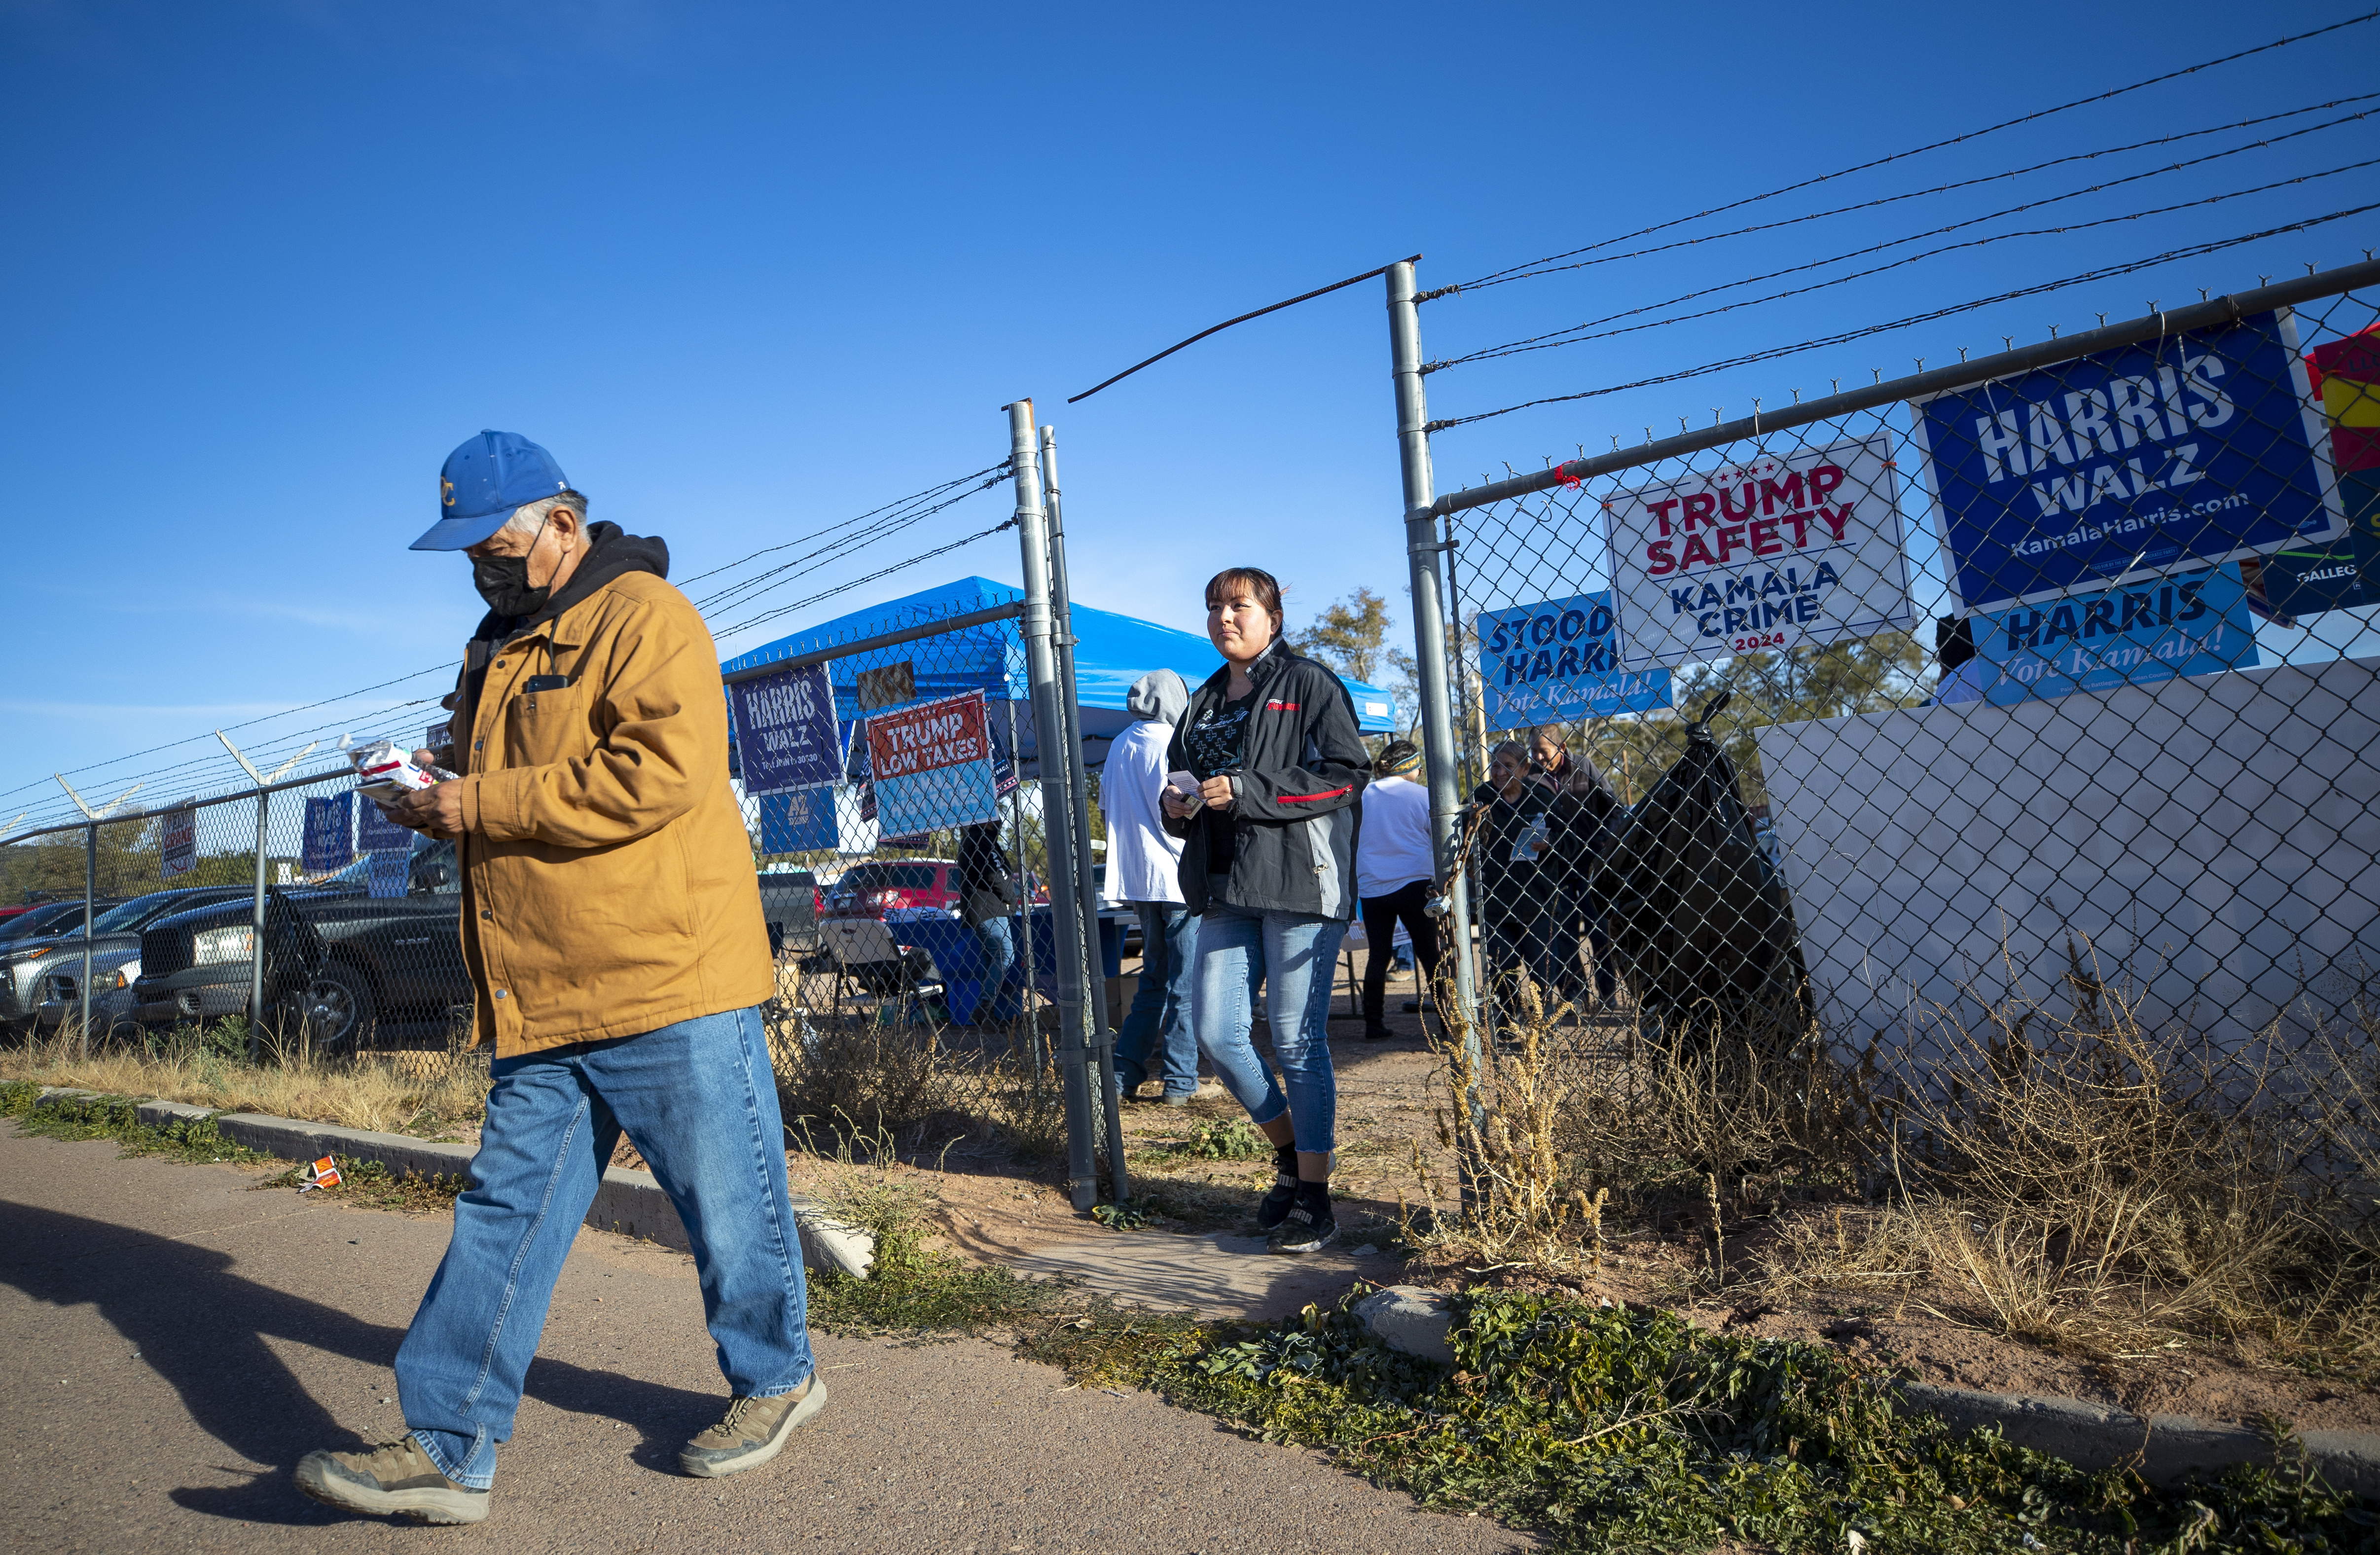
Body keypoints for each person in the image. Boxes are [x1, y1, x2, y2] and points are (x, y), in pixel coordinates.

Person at [293, 432, 822, 1525]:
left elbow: (661, 776)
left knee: (727, 1203)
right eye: (467, 553)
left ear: (563, 526)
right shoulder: (496, 644)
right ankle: (448, 1445)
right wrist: (435, 785)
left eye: (493, 545)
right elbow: (511, 778)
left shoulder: (644, 619)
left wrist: (476, 804)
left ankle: (777, 1379)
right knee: (501, 1214)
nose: (480, 569)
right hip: (540, 986)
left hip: (664, 971)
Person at [1162, 567, 1368, 1253]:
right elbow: (1188, 785)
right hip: (1225, 886)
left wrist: (1248, 789)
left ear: (1273, 617)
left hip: (1299, 883)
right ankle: (1290, 1154)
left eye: (1239, 605)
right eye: (1214, 606)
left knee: (1294, 1039)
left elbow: (1345, 775)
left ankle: (1316, 1195)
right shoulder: (1204, 700)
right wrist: (1178, 805)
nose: (1225, 616)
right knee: (1217, 1034)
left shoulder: (1308, 683)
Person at [1100, 668, 1200, 1104]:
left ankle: (1126, 1074)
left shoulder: (1119, 745)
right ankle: (1180, 1081)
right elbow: (1194, 806)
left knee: (1153, 980)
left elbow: (1107, 805)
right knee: (1186, 982)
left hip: (1138, 879)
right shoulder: (1175, 743)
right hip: (1178, 877)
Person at [1353, 739, 1441, 1042]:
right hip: (1414, 882)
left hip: (1373, 886)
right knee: (1430, 953)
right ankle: (1447, 1023)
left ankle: (1373, 1023)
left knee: (1379, 955)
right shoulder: (1424, 796)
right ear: (1410, 768)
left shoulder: (1363, 796)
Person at [1527, 727, 1622, 1003]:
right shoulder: (1531, 778)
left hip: (1592, 863)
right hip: (1556, 867)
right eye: (1534, 751)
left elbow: (1614, 809)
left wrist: (1603, 842)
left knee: (1600, 931)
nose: (1538, 757)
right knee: (1564, 934)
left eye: (1543, 751)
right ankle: (1575, 993)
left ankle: (1608, 993)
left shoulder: (1585, 767)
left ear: (1562, 747)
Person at [1469, 739, 1563, 1009]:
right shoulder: (1481, 799)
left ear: (1525, 768)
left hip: (1537, 902)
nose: (1499, 773)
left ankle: (1541, 1026)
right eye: (1495, 766)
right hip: (1497, 903)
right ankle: (1506, 1027)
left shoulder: (1542, 798)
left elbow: (1571, 841)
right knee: (1502, 972)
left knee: (1543, 974)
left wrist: (1550, 843)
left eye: (1508, 766)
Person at [956, 817, 1021, 1021]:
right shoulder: (983, 841)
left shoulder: (973, 839)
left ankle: (986, 1011)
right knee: (1005, 955)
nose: (999, 822)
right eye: (995, 819)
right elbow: (997, 875)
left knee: (991, 959)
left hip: (981, 908)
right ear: (987, 821)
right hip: (990, 908)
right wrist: (1011, 898)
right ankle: (985, 1005)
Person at [1933, 615, 1990, 705]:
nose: (1938, 659)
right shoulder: (2000, 667)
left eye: (1941, 649)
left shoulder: (1955, 684)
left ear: (1953, 647)